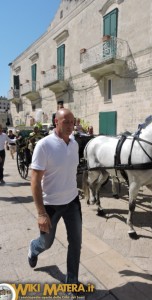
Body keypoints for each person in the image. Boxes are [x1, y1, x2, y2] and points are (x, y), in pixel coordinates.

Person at [28, 108, 82, 288]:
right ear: (56, 122)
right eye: (65, 121)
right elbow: (35, 181)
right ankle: (34, 248)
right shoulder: (44, 145)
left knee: (76, 243)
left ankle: (72, 282)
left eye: (72, 122)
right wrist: (41, 213)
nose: (70, 125)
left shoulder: (74, 144)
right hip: (50, 205)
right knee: (46, 243)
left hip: (72, 201)